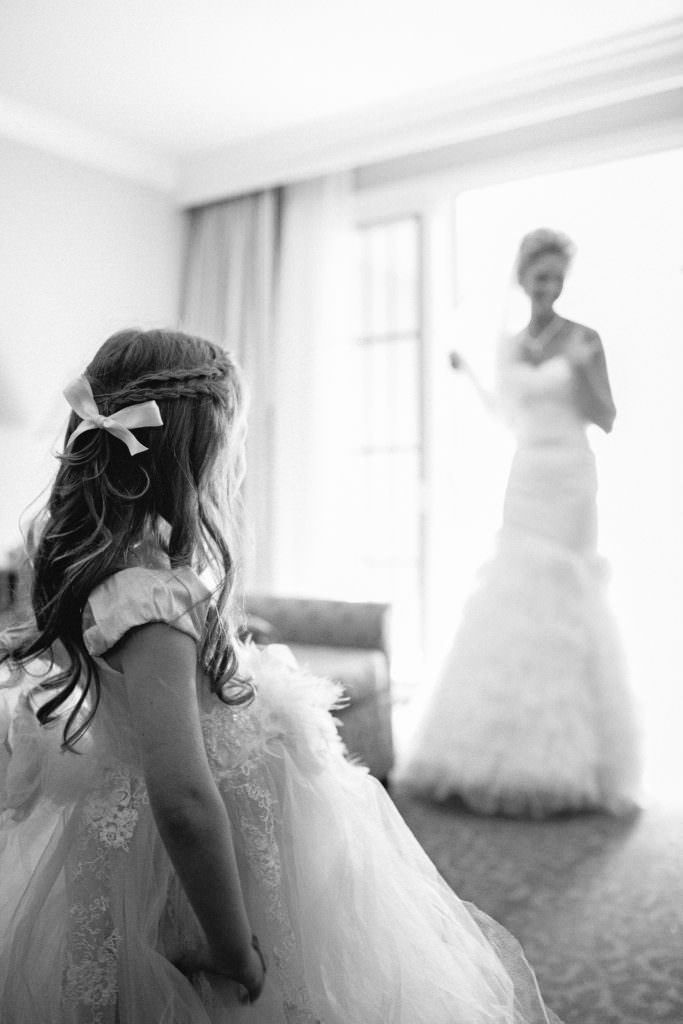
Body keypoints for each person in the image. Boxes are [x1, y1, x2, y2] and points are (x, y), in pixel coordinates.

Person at [0, 327, 563, 1023]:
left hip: (129, 841)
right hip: (193, 858)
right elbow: (182, 797)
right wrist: (231, 947)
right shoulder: (151, 601)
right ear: (196, 454)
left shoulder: (112, 567)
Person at [398, 229, 641, 818]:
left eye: (557, 278)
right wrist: (473, 377)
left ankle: (578, 762)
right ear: (523, 278)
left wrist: (583, 371)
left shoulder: (585, 338)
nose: (549, 287)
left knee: (566, 599)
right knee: (511, 593)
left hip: (573, 479)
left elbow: (607, 418)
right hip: (526, 474)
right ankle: (495, 749)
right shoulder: (509, 344)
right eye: (540, 277)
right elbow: (508, 417)